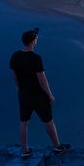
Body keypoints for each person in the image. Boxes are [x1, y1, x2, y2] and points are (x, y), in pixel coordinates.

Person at [9, 28, 70, 158]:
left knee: (23, 123)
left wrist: (21, 89)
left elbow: (14, 77)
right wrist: (50, 94)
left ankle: (24, 150)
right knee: (48, 122)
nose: (37, 41)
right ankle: (58, 147)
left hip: (23, 94)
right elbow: (42, 79)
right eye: (36, 39)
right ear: (32, 42)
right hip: (38, 95)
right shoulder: (35, 58)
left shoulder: (14, 56)